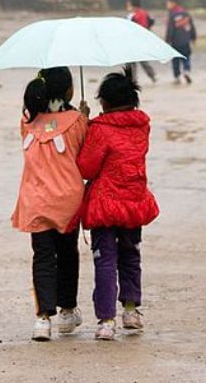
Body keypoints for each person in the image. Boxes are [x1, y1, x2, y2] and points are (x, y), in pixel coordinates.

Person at [77, 68, 160, 341]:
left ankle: (106, 321)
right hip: (134, 202)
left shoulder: (100, 130)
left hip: (105, 205)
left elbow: (87, 168)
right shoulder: (142, 126)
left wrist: (84, 124)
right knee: (131, 256)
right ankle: (131, 310)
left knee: (105, 261)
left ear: (105, 102)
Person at [12, 67, 89, 341]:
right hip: (67, 201)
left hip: (35, 202)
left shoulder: (27, 123)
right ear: (69, 90)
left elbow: (45, 122)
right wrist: (85, 118)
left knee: (42, 257)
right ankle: (67, 311)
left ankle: (43, 319)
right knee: (68, 254)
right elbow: (84, 157)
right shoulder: (77, 121)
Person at [164, 0, 197, 84]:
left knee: (175, 60)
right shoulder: (186, 13)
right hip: (186, 41)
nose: (167, 5)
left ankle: (177, 77)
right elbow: (191, 26)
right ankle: (186, 71)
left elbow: (170, 30)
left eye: (168, 3)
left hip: (175, 42)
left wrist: (167, 41)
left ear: (173, 3)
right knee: (186, 57)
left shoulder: (172, 15)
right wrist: (193, 37)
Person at [124, 0, 157, 83]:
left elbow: (141, 27)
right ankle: (151, 76)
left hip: (137, 41)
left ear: (133, 5)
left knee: (135, 60)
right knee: (139, 60)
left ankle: (133, 80)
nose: (127, 7)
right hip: (136, 41)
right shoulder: (137, 14)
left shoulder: (138, 15)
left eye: (129, 5)